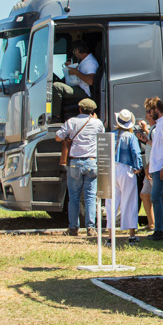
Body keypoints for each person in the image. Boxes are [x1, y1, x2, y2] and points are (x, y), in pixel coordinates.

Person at [54, 98, 105, 237]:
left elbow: (58, 137)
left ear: (80, 109)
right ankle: (91, 227)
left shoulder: (72, 122)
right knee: (90, 197)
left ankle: (73, 227)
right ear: (92, 111)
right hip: (91, 162)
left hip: (75, 163)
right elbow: (102, 136)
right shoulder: (98, 123)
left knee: (74, 197)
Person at [137, 96, 163, 241]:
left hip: (162, 165)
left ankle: (159, 230)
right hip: (159, 164)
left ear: (155, 109)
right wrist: (146, 140)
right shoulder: (162, 122)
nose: (148, 114)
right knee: (161, 197)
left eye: (149, 111)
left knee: (155, 196)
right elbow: (160, 145)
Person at [105, 109, 143, 244]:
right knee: (130, 201)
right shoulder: (131, 137)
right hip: (126, 169)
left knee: (110, 202)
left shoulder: (109, 135)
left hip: (110, 169)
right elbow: (136, 153)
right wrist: (138, 167)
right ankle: (131, 235)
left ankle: (110, 236)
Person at [51, 40, 99, 122]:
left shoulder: (90, 62)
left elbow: (91, 81)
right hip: (79, 87)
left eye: (74, 50)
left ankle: (56, 117)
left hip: (84, 91)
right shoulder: (84, 61)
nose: (74, 53)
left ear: (77, 50)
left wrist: (76, 72)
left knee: (56, 86)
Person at [135, 113, 155, 232]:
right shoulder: (152, 129)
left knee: (154, 196)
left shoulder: (156, 128)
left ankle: (155, 225)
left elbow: (158, 147)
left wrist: (149, 165)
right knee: (144, 194)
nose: (146, 116)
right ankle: (151, 224)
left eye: (148, 113)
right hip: (150, 166)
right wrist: (145, 130)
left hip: (153, 166)